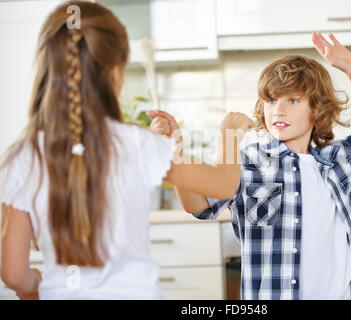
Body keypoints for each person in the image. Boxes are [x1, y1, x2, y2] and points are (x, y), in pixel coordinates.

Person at [0, 1, 253, 300]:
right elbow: (224, 185)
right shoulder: (138, 144)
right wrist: (229, 134)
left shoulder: (22, 156)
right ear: (116, 73)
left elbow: (14, 273)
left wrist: (35, 287)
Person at [165, 32, 351, 300]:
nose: (278, 110)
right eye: (271, 100)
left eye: (293, 100)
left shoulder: (341, 159)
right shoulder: (249, 163)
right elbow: (197, 205)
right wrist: (175, 151)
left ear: (318, 108)